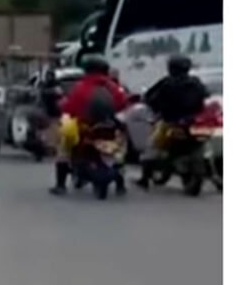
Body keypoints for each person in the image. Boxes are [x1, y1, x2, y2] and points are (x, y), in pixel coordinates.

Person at [50, 55, 128, 195]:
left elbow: (69, 107)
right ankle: (120, 185)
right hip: (109, 126)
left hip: (86, 126)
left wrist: (64, 108)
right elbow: (122, 104)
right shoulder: (114, 87)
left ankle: (60, 185)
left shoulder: (81, 87)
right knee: (119, 151)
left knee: (64, 148)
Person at [135, 54, 209, 190]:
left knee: (151, 149)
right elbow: (206, 96)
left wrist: (154, 106)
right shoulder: (196, 82)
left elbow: (151, 98)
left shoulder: (167, 83)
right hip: (193, 122)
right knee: (202, 145)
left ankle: (144, 179)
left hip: (170, 122)